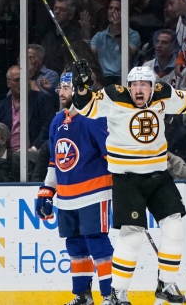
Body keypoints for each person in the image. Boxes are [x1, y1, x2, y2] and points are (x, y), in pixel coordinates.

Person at [71, 62, 186, 304]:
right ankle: (119, 293)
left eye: (144, 85)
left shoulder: (163, 94)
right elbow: (86, 107)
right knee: (132, 235)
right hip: (127, 179)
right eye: (134, 85)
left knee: (175, 227)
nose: (139, 89)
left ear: (152, 86)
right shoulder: (114, 96)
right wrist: (81, 88)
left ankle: (166, 285)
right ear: (128, 87)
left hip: (159, 176)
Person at [36, 71, 114, 305]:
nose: (62, 92)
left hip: (94, 192)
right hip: (67, 196)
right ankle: (83, 295)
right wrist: (48, 189)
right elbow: (55, 158)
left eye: (68, 87)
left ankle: (111, 295)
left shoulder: (95, 118)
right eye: (60, 87)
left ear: (82, 89)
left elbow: (110, 154)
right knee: (75, 244)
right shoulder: (57, 120)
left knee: (96, 241)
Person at [90, 0, 141, 87]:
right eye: (110, 8)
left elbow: (128, 56)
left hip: (123, 78)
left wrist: (118, 31)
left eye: (117, 9)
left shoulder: (133, 34)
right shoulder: (99, 36)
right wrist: (86, 33)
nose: (112, 11)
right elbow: (89, 55)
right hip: (103, 79)